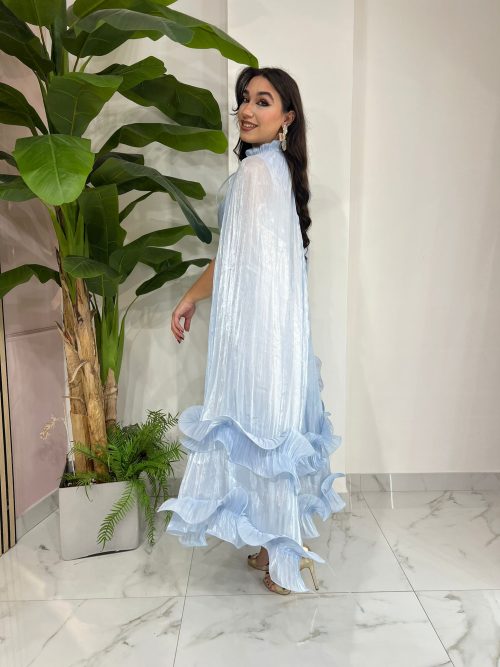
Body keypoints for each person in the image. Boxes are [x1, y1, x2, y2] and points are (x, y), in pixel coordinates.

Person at [158, 67, 345, 595]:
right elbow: (245, 258)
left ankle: (283, 560)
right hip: (278, 336)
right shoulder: (276, 169)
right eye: (244, 98)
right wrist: (194, 296)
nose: (246, 109)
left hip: (259, 337)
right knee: (272, 437)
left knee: (262, 434)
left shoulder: (256, 174)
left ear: (287, 118)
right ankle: (271, 548)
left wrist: (192, 299)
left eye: (263, 101)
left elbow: (237, 264)